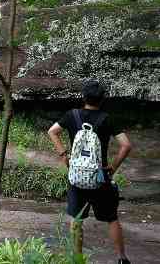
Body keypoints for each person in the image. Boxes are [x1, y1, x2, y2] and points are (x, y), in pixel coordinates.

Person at [47, 80, 132, 264]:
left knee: (76, 219)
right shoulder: (107, 118)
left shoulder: (72, 115)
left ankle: (77, 259)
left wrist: (64, 155)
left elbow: (52, 132)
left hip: (77, 176)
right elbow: (126, 146)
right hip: (100, 176)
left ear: (83, 97)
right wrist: (112, 167)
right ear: (102, 100)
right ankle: (122, 258)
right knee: (111, 218)